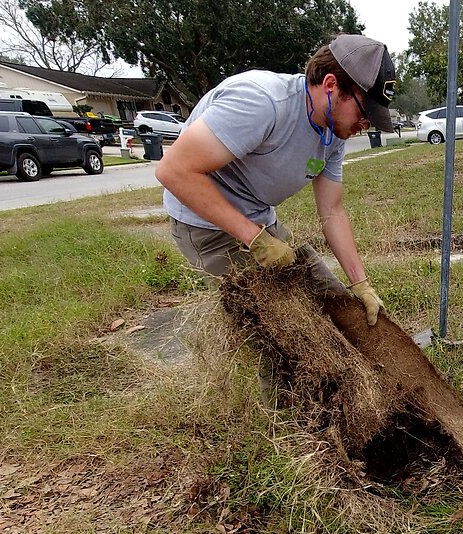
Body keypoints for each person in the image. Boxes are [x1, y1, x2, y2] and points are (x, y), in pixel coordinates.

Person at [156, 34, 397, 325]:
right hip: (207, 225)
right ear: (332, 85)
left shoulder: (334, 131)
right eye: (364, 112)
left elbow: (332, 211)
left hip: (259, 219)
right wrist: (254, 239)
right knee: (279, 334)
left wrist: (360, 283)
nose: (365, 124)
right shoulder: (262, 102)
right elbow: (174, 171)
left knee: (336, 306)